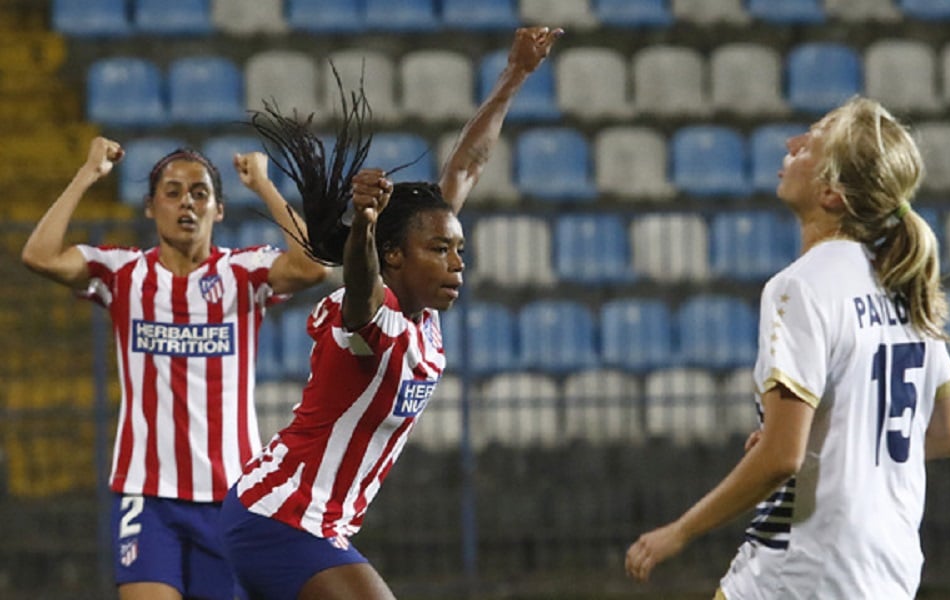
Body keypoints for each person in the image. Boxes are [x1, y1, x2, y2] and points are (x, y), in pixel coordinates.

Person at [219, 26, 562, 600]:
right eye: (440, 249)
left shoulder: (418, 310)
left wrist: (514, 76)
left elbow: (467, 167)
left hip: (309, 522)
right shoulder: (372, 318)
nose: (456, 263)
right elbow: (359, 286)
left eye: (459, 250)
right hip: (280, 517)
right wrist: (366, 226)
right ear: (395, 256)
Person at [625, 96, 950, 599]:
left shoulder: (800, 286)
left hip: (803, 568)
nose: (792, 144)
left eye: (810, 143)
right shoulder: (904, 284)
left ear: (831, 193)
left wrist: (679, 531)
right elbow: (948, 434)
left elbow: (782, 458)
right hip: (889, 569)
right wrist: (837, 449)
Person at [21, 139, 329, 599]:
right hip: (146, 496)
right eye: (173, 191)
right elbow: (39, 256)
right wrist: (87, 174)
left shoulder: (244, 273)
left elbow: (312, 267)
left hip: (231, 499)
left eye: (200, 193)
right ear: (150, 208)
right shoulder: (123, 274)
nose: (187, 201)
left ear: (219, 210)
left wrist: (264, 185)